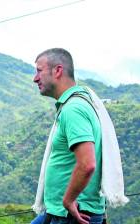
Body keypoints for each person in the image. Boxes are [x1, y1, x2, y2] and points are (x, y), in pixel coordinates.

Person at [32, 48, 105, 224]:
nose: (35, 78)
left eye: (39, 71)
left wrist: (68, 200)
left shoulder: (73, 109)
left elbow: (87, 164)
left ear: (57, 71)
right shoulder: (77, 104)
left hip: (72, 214)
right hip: (60, 212)